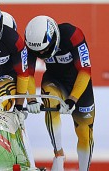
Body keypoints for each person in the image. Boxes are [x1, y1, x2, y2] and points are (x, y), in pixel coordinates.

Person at [25, 15, 95, 171]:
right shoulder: (30, 44)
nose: (43, 53)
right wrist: (30, 100)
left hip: (79, 85)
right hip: (54, 81)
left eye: (45, 49)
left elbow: (85, 70)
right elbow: (27, 74)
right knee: (50, 101)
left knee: (85, 133)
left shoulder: (73, 35)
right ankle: (59, 154)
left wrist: (73, 99)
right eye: (39, 52)